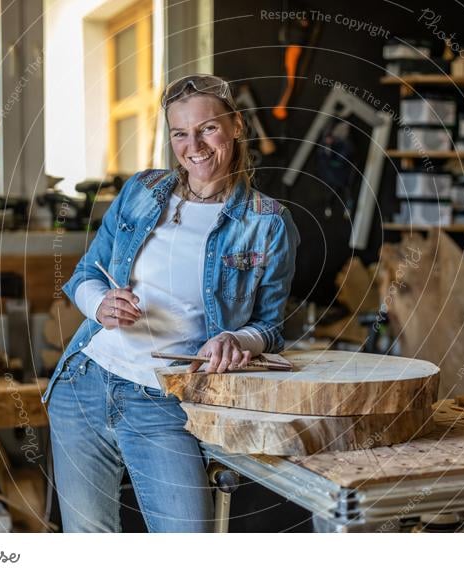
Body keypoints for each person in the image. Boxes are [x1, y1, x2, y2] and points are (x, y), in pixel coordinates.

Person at [42, 74, 300, 532]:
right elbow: (85, 273)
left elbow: (272, 327)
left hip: (164, 400)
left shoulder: (268, 223)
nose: (193, 146)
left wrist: (237, 338)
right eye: (180, 133)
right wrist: (100, 304)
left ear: (237, 125)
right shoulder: (142, 191)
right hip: (85, 383)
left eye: (207, 129)